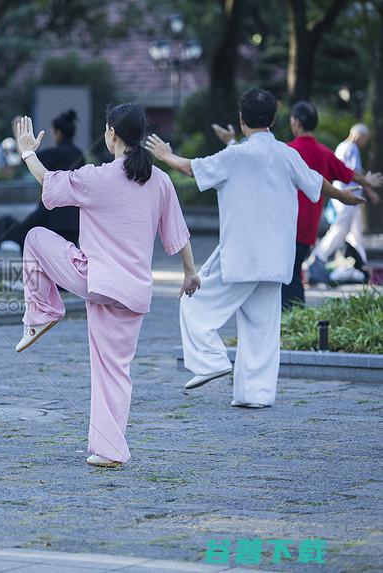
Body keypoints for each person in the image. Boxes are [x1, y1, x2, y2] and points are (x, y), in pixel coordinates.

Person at [146, 88, 365, 408]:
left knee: (194, 303)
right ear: (274, 120)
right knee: (261, 328)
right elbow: (318, 184)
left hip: (240, 254)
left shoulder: (235, 156)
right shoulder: (287, 155)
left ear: (241, 119)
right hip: (277, 258)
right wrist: (346, 197)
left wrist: (165, 156)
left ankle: (210, 361)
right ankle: (256, 395)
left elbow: (193, 168)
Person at [13, 107, 198, 468]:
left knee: (35, 237)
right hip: (133, 291)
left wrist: (26, 151)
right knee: (115, 371)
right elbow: (178, 234)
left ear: (112, 133)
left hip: (95, 279)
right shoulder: (160, 180)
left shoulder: (98, 177)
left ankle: (42, 312)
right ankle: (111, 450)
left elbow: (48, 182)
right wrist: (190, 273)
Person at [263, 102, 380, 308]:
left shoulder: (288, 151)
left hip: (286, 222)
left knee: (286, 273)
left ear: (296, 123)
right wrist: (367, 182)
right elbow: (348, 173)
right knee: (293, 269)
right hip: (309, 225)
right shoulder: (324, 152)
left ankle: (291, 315)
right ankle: (293, 316)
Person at [0, 110, 86, 249]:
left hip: (52, 216)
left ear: (57, 132)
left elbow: (29, 158)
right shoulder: (79, 154)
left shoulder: (55, 153)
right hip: (74, 220)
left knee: (24, 237)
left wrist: (20, 138)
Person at [308, 123, 381, 282]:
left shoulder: (341, 146)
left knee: (356, 232)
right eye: (365, 138)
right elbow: (354, 173)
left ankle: (361, 264)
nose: (365, 142)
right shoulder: (351, 148)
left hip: (343, 195)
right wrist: (370, 189)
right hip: (348, 196)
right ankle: (318, 258)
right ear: (359, 135)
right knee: (340, 230)